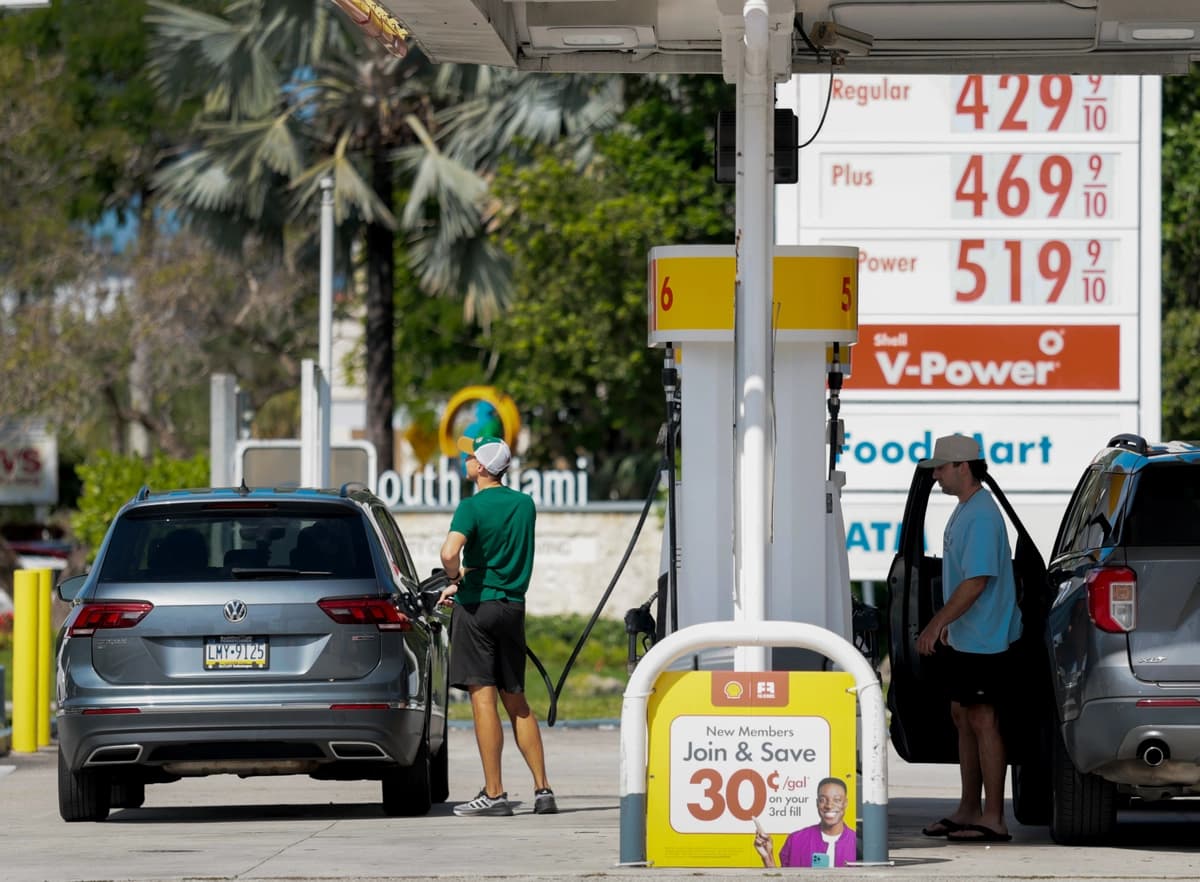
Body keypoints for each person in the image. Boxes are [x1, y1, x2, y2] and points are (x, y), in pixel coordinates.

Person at [438, 434, 557, 817]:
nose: (466, 460)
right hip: (512, 608)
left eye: (471, 456)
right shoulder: (525, 506)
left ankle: (495, 794)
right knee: (517, 700)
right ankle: (543, 790)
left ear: (483, 468)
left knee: (483, 699)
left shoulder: (471, 508)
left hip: (476, 608)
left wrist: (454, 579)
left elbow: (449, 551)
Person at [915, 433, 1021, 844]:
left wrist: (935, 623)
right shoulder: (967, 509)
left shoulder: (980, 516)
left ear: (963, 466)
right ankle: (968, 808)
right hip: (968, 638)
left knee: (983, 719)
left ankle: (993, 817)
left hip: (985, 639)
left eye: (941, 467)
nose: (937, 475)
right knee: (964, 717)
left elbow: (976, 581)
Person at [754, 777, 856, 868]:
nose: (829, 805)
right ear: (817, 803)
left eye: (837, 800)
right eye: (823, 800)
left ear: (845, 803)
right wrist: (768, 859)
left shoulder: (859, 845)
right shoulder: (795, 840)